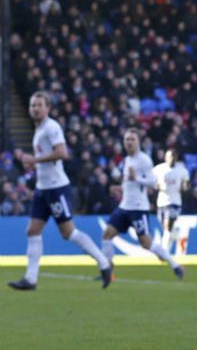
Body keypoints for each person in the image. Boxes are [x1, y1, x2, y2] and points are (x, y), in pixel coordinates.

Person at [8, 91, 112, 290]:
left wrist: (34, 160)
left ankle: (104, 263)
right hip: (42, 188)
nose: (35, 108)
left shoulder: (51, 127)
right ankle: (30, 279)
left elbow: (62, 153)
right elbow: (47, 156)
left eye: (39, 105)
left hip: (56, 188)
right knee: (32, 230)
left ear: (47, 108)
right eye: (32, 105)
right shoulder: (39, 130)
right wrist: (33, 162)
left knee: (68, 233)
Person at [100, 128, 184, 280]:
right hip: (124, 206)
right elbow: (129, 183)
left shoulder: (144, 160)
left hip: (138, 208)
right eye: (127, 140)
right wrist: (119, 188)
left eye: (132, 139)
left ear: (138, 142)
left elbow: (153, 182)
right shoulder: (126, 160)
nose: (129, 142)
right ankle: (108, 271)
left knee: (146, 243)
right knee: (107, 235)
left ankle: (175, 265)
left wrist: (136, 178)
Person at [152, 148, 190, 254]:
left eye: (173, 157)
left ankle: (163, 252)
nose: (171, 159)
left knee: (168, 225)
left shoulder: (181, 170)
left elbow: (186, 183)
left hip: (175, 201)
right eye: (169, 157)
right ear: (165, 158)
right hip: (162, 201)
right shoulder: (158, 169)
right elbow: (151, 181)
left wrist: (185, 187)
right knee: (166, 227)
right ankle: (180, 239)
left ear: (176, 158)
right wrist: (157, 185)